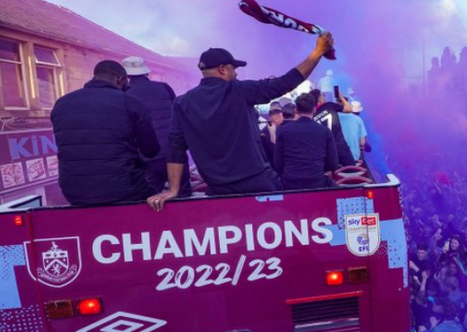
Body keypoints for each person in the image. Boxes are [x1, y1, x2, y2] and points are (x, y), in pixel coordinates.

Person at [149, 32, 333, 210]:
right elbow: (284, 83)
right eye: (233, 69)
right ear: (222, 69)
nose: (236, 74)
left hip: (218, 190)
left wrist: (173, 189)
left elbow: (175, 147)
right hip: (259, 184)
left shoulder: (182, 103)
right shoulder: (239, 90)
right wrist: (317, 53)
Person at [51, 60, 159, 205]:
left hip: (74, 191)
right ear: (120, 79)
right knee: (156, 204)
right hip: (124, 189)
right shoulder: (129, 102)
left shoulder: (61, 103)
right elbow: (150, 150)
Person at [121, 56, 190, 196]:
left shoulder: (124, 95)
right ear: (146, 72)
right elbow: (178, 115)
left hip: (147, 159)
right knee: (183, 196)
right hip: (174, 154)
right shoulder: (164, 87)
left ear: (125, 76)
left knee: (152, 201)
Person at [273, 92, 340, 190]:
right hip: (317, 182)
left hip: (290, 183)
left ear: (296, 110)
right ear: (314, 110)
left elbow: (277, 163)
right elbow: (333, 164)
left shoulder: (283, 131)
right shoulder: (325, 132)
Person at [311, 88, 356, 166]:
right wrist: (341, 97)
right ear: (320, 99)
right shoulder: (329, 105)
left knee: (334, 175)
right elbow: (349, 109)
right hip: (341, 147)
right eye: (323, 95)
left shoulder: (312, 116)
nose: (324, 97)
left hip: (326, 152)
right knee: (352, 171)